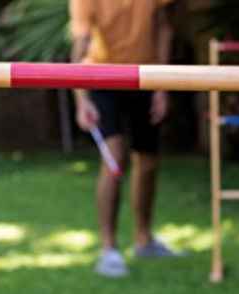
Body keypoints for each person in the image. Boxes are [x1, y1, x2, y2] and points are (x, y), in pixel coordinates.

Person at [70, 0, 180, 278]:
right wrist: (81, 100)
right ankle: (108, 249)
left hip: (146, 76)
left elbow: (165, 28)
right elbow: (81, 43)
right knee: (115, 159)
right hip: (102, 76)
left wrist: (163, 85)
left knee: (148, 160)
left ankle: (144, 240)